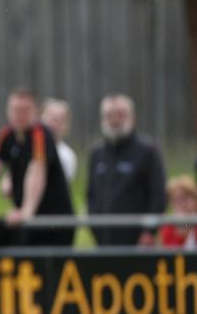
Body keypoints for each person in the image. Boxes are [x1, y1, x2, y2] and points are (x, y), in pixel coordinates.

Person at [0, 88, 75, 246]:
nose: (20, 115)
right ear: (8, 111)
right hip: (30, 224)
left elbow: (37, 171)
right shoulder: (6, 135)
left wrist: (26, 211)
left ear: (35, 112)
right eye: (16, 110)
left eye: (25, 110)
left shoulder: (40, 133)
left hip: (54, 222)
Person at [87, 94, 166, 246]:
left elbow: (158, 196)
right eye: (110, 115)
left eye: (121, 115)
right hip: (104, 243)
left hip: (138, 244)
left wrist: (149, 231)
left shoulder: (148, 151)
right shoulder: (96, 154)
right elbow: (91, 196)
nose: (115, 120)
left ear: (132, 117)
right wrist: (95, 229)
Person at [41, 98, 77, 184]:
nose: (55, 124)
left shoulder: (67, 156)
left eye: (61, 120)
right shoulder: (27, 146)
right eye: (52, 118)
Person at [158, 176, 197, 249]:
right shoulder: (168, 227)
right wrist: (181, 233)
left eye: (186, 198)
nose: (182, 203)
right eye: (177, 199)